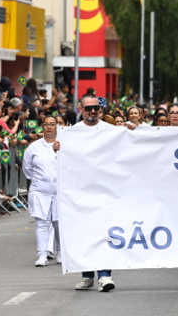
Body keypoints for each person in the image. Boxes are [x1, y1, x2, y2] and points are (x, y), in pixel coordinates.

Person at [73, 94, 118, 292]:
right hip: (81, 193)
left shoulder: (110, 130)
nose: (92, 111)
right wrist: (59, 149)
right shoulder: (72, 132)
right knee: (84, 235)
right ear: (80, 109)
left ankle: (105, 275)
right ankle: (87, 276)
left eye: (96, 108)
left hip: (106, 191)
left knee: (104, 233)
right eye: (88, 108)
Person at [22, 116, 60, 267]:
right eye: (46, 124)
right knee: (41, 223)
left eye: (52, 124)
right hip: (39, 190)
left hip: (59, 190)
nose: (49, 127)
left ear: (56, 126)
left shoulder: (63, 145)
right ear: (42, 126)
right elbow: (27, 168)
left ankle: (60, 252)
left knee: (58, 223)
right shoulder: (34, 147)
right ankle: (42, 254)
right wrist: (40, 180)